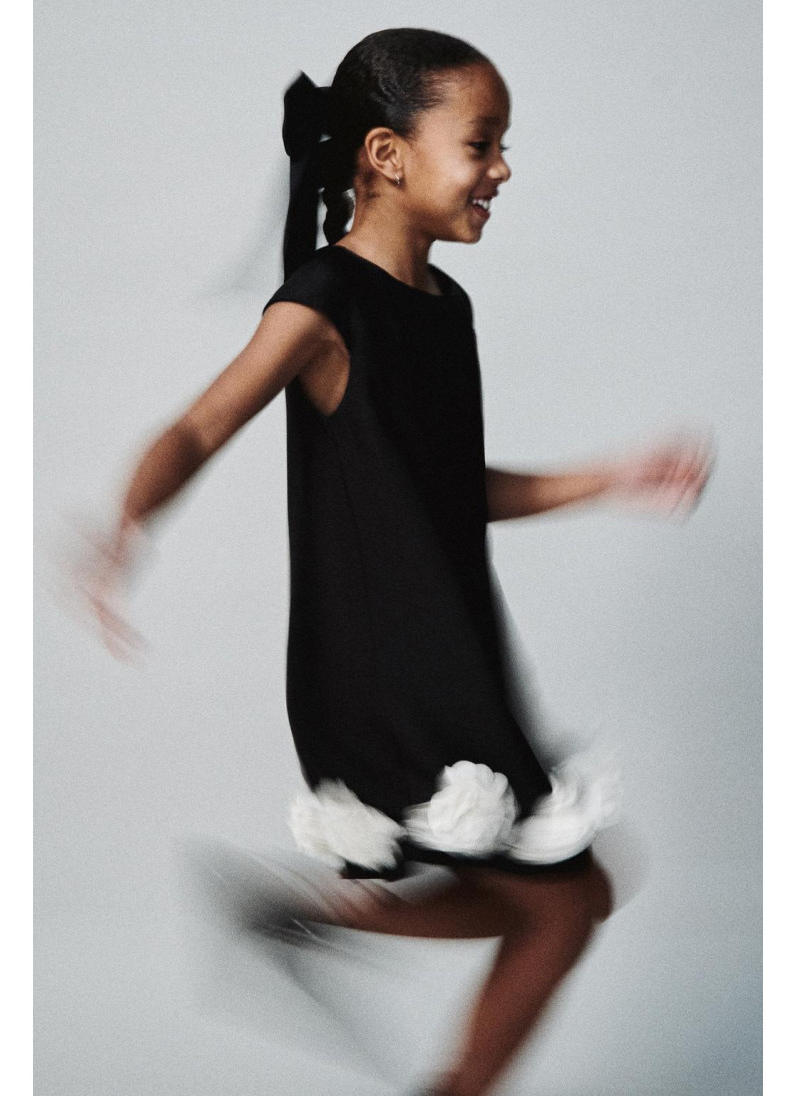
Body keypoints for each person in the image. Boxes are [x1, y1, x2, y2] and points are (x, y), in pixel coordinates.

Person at [78, 28, 713, 1096]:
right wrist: (126, 527)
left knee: (571, 900)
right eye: (481, 142)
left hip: (450, 646)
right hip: (380, 662)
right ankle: (345, 966)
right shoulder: (324, 302)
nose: (501, 168)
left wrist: (606, 478)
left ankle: (303, 915)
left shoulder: (444, 308)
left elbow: (446, 491)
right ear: (387, 155)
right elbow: (198, 426)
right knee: (564, 903)